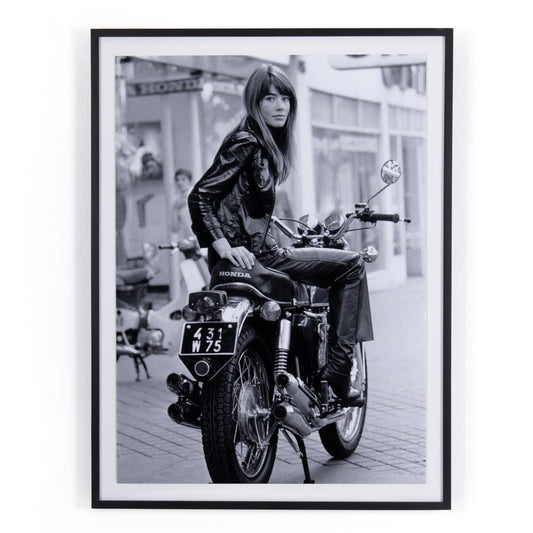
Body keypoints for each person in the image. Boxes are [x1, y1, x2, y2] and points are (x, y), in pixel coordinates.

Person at [188, 64, 373, 406]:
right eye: (269, 98)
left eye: (285, 98)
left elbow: (241, 205)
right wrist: (224, 245)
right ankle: (338, 367)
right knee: (352, 265)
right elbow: (200, 195)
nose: (279, 106)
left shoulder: (258, 143)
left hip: (254, 249)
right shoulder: (248, 141)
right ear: (254, 102)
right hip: (259, 255)